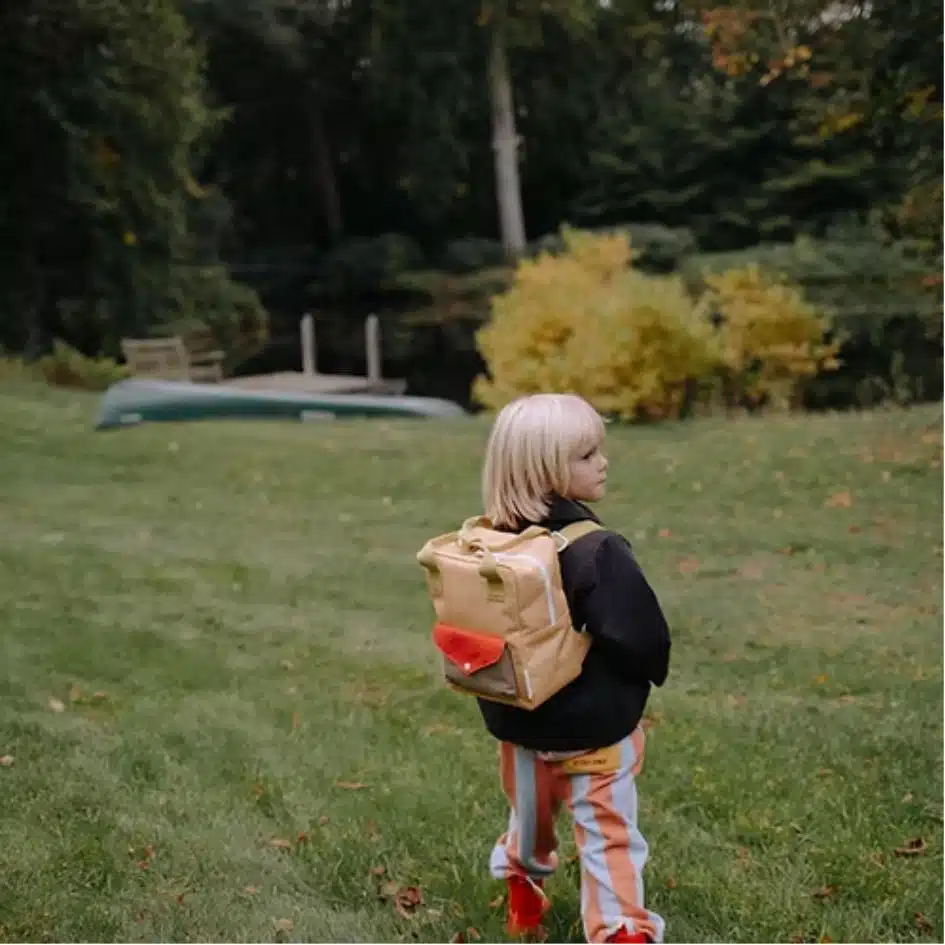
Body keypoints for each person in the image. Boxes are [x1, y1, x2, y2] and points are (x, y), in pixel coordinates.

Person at [479, 393, 671, 944]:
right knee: (608, 835)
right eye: (587, 455)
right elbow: (642, 637)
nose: (603, 463)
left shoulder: (489, 544)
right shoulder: (597, 551)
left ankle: (522, 881)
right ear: (545, 470)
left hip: (518, 728)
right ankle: (620, 932)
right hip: (597, 733)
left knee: (532, 822)